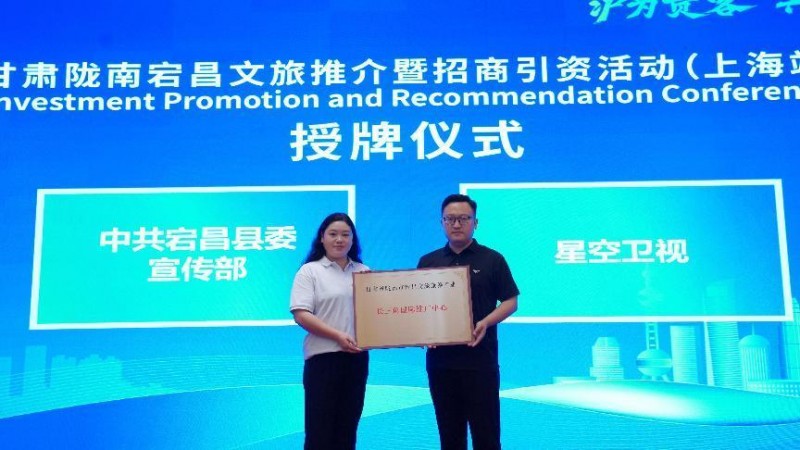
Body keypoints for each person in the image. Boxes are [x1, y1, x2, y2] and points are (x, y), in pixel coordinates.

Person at [417, 194, 519, 450]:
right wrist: (421, 331)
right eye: (450, 219)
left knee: (487, 436)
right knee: (450, 437)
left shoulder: (493, 259)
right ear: (441, 222)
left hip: (480, 361)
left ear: (476, 222)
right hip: (441, 363)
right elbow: (419, 308)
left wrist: (485, 322)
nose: (456, 224)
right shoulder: (428, 262)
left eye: (463, 218)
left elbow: (510, 301)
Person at [290, 212, 370, 450]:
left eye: (345, 234)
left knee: (347, 431)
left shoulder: (365, 272)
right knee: (319, 433)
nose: (339, 239)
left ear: (353, 239)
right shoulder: (310, 271)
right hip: (323, 360)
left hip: (356, 359)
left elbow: (379, 315)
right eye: (333, 234)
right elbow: (301, 314)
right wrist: (337, 336)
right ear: (322, 238)